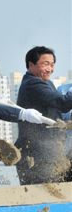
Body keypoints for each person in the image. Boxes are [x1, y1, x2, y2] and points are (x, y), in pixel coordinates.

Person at [14, 46, 72, 185]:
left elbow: (58, 115)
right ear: (31, 64)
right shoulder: (32, 84)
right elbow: (62, 103)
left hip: (52, 153)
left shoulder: (47, 83)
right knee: (44, 200)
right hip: (37, 157)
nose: (50, 69)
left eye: (52, 65)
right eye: (45, 64)